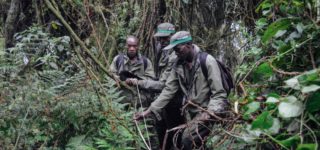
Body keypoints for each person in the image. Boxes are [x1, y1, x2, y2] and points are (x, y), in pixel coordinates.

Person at [134, 31, 229, 149]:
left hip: (209, 112)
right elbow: (168, 90)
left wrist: (209, 113)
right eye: (174, 50)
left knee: (187, 139)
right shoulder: (178, 65)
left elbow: (219, 94)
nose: (176, 53)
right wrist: (150, 110)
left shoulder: (207, 61)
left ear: (188, 45)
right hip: (192, 113)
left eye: (178, 49)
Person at [127, 23, 185, 149]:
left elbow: (163, 84)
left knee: (175, 138)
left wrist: (139, 82)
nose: (162, 41)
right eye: (160, 38)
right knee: (162, 134)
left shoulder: (176, 55)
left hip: (175, 102)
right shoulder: (161, 49)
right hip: (164, 102)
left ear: (172, 36)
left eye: (165, 38)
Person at [110, 35, 155, 107]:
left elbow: (151, 81)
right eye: (129, 46)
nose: (132, 49)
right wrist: (123, 80)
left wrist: (137, 82)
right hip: (121, 102)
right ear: (126, 46)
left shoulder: (146, 62)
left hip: (141, 102)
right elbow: (110, 76)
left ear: (138, 47)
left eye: (134, 46)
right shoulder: (118, 60)